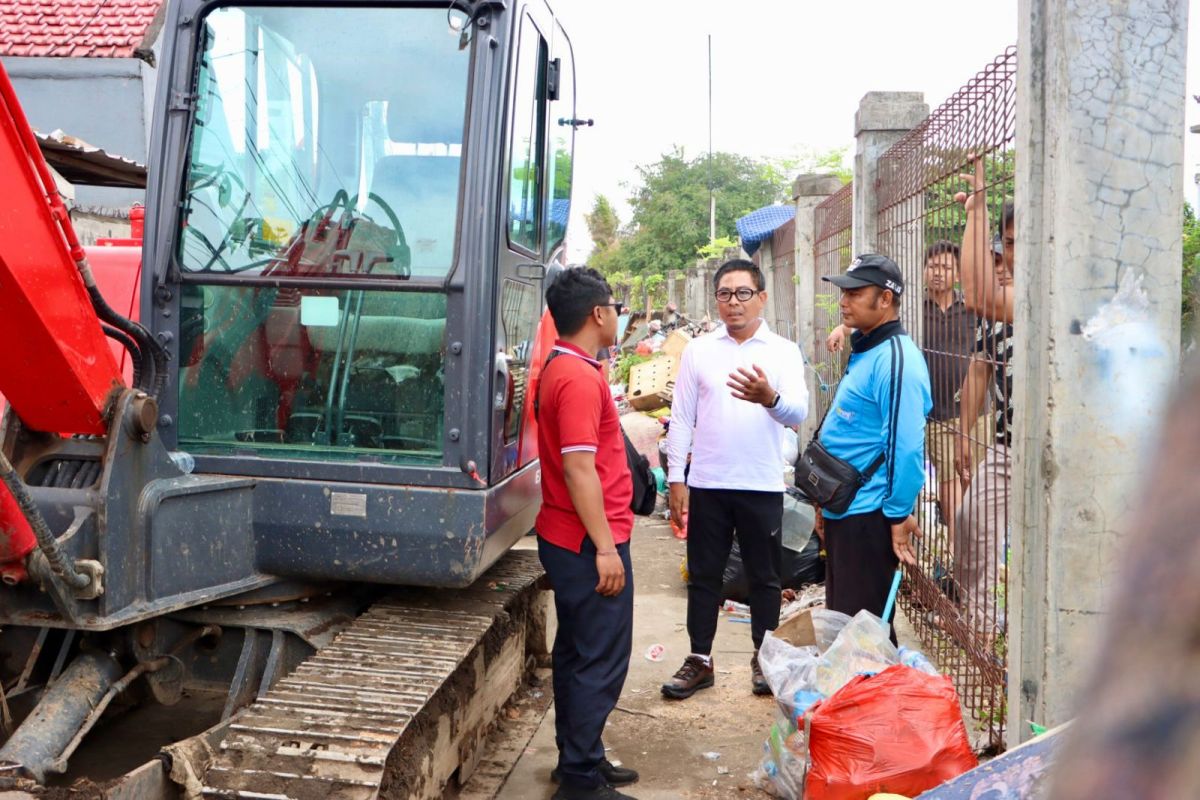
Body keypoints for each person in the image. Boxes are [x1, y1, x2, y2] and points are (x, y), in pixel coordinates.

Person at [661, 258, 809, 700]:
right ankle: (700, 660)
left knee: (765, 577)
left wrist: (770, 399)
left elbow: (797, 413)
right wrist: (676, 479)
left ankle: (763, 659)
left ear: (762, 297)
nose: (733, 303)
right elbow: (682, 419)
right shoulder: (699, 351)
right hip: (707, 481)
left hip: (761, 482)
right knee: (704, 575)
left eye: (743, 293)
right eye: (724, 294)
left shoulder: (782, 351)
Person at [536, 267, 639, 800]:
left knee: (579, 652)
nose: (619, 314)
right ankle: (578, 780)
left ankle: (581, 758)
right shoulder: (575, 377)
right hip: (585, 540)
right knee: (599, 659)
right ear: (598, 314)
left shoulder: (568, 366)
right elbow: (579, 470)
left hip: (570, 533)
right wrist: (605, 548)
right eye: (615, 306)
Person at [826, 242, 987, 559]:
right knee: (949, 486)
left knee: (975, 489)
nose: (938, 273)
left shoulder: (971, 310)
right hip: (934, 412)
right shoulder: (914, 311)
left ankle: (972, 559)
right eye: (932, 266)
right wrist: (843, 327)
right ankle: (955, 555)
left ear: (958, 273)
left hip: (969, 412)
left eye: (945, 267)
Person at [816, 254, 932, 637]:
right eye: (842, 292)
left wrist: (898, 515)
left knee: (863, 633)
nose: (843, 301)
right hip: (844, 508)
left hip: (868, 515)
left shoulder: (897, 361)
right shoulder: (868, 347)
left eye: (854, 292)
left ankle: (869, 693)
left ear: (885, 299)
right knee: (849, 624)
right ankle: (857, 692)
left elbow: (906, 448)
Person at [953, 153, 1015, 640]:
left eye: (1020, 244)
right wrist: (963, 433)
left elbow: (975, 295)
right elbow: (979, 368)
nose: (1012, 256)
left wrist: (976, 213)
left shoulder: (1039, 294)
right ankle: (979, 628)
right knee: (972, 524)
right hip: (1008, 443)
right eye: (1007, 244)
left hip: (1056, 449)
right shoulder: (998, 308)